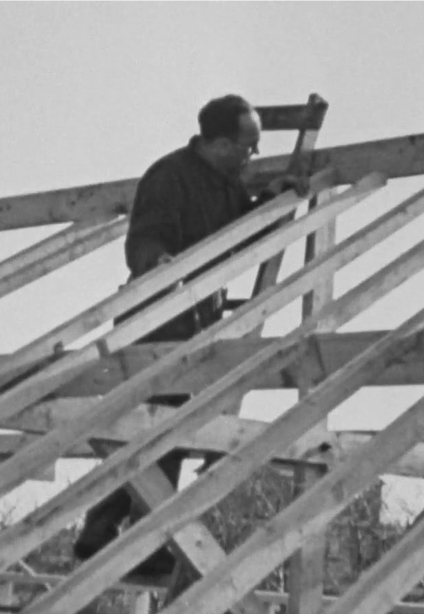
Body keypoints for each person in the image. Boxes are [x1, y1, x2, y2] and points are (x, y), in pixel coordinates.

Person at [73, 94, 306, 578]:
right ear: (219, 143)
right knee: (154, 426)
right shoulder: (170, 176)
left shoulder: (224, 185)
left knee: (165, 428)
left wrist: (270, 204)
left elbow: (235, 233)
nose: (250, 157)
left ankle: (122, 536)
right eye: (246, 148)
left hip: (195, 318)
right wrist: (158, 266)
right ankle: (128, 537)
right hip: (158, 317)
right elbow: (145, 237)